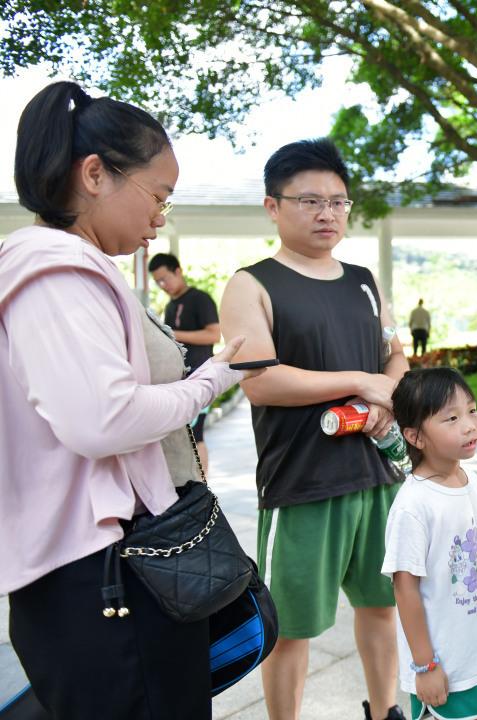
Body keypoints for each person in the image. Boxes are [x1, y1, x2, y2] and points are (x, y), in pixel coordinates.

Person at [0, 81, 253, 719]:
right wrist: (212, 379)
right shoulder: (55, 270)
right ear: (94, 175)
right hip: (101, 573)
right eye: (158, 196)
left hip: (103, 566)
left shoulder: (61, 265)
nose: (160, 218)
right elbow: (105, 419)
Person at [220, 138, 409, 720]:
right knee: (288, 628)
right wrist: (360, 381)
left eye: (337, 201)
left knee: (383, 607)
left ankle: (385, 711)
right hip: (302, 483)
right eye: (309, 201)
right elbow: (260, 381)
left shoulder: (364, 280)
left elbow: (396, 356)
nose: (327, 213)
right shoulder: (251, 284)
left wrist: (387, 393)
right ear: (273, 207)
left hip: (378, 474)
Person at [384, 367, 477, 720]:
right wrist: (425, 666)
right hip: (447, 660)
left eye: (472, 411)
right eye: (451, 418)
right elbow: (405, 589)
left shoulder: (470, 480)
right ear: (415, 437)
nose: (469, 425)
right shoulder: (413, 506)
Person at [149, 252, 222, 471]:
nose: (163, 286)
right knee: (184, 437)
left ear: (178, 272)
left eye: (165, 279)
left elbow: (214, 335)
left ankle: (203, 485)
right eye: (158, 282)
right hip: (180, 380)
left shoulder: (200, 299)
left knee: (196, 435)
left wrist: (173, 334)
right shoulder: (170, 306)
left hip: (200, 377)